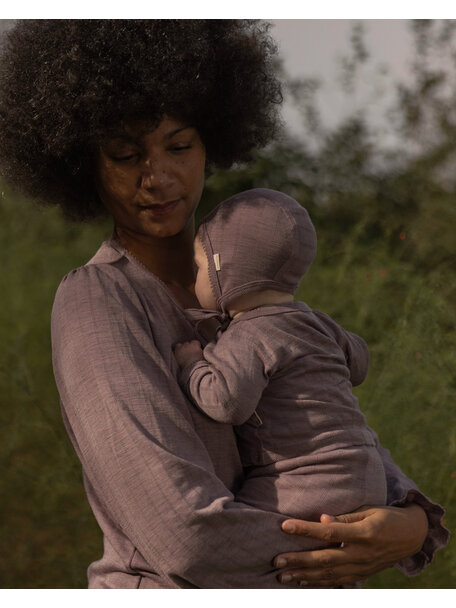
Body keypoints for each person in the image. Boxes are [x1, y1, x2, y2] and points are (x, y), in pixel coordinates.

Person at [0, 19, 448, 589]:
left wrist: (408, 519)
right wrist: (349, 541)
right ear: (83, 162)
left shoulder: (246, 290)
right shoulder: (99, 300)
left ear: (213, 140)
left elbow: (328, 430)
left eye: (180, 146)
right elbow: (185, 534)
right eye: (124, 154)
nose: (157, 177)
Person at [173, 188, 388, 524]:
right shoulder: (316, 321)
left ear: (224, 270)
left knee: (236, 526)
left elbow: (228, 402)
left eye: (199, 267)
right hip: (369, 476)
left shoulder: (248, 335)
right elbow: (358, 362)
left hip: (304, 482)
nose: (192, 278)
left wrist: (193, 365)